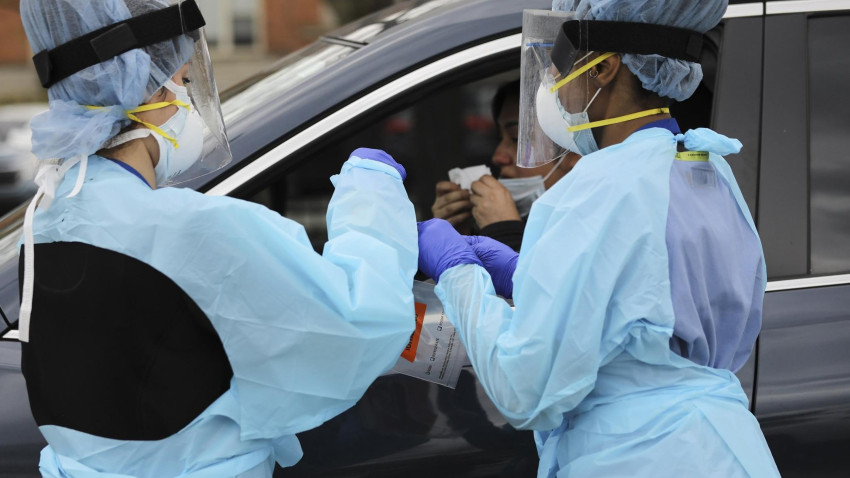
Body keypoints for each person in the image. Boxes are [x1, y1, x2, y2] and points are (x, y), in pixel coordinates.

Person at [18, 1, 417, 476]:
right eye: (185, 82)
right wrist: (371, 195)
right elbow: (359, 326)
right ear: (141, 89)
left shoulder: (43, 220)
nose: (190, 99)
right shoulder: (185, 229)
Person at [417, 1, 780, 476]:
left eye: (560, 68)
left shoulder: (598, 189)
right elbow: (645, 305)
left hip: (641, 456)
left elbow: (525, 389)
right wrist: (528, 276)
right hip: (723, 448)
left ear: (604, 68)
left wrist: (457, 272)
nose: (551, 85)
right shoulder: (704, 166)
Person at [430, 80, 579, 251]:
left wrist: (504, 231)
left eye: (516, 138)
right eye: (500, 138)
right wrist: (458, 239)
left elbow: (530, 278)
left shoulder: (594, 230)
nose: (498, 157)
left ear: (575, 153)